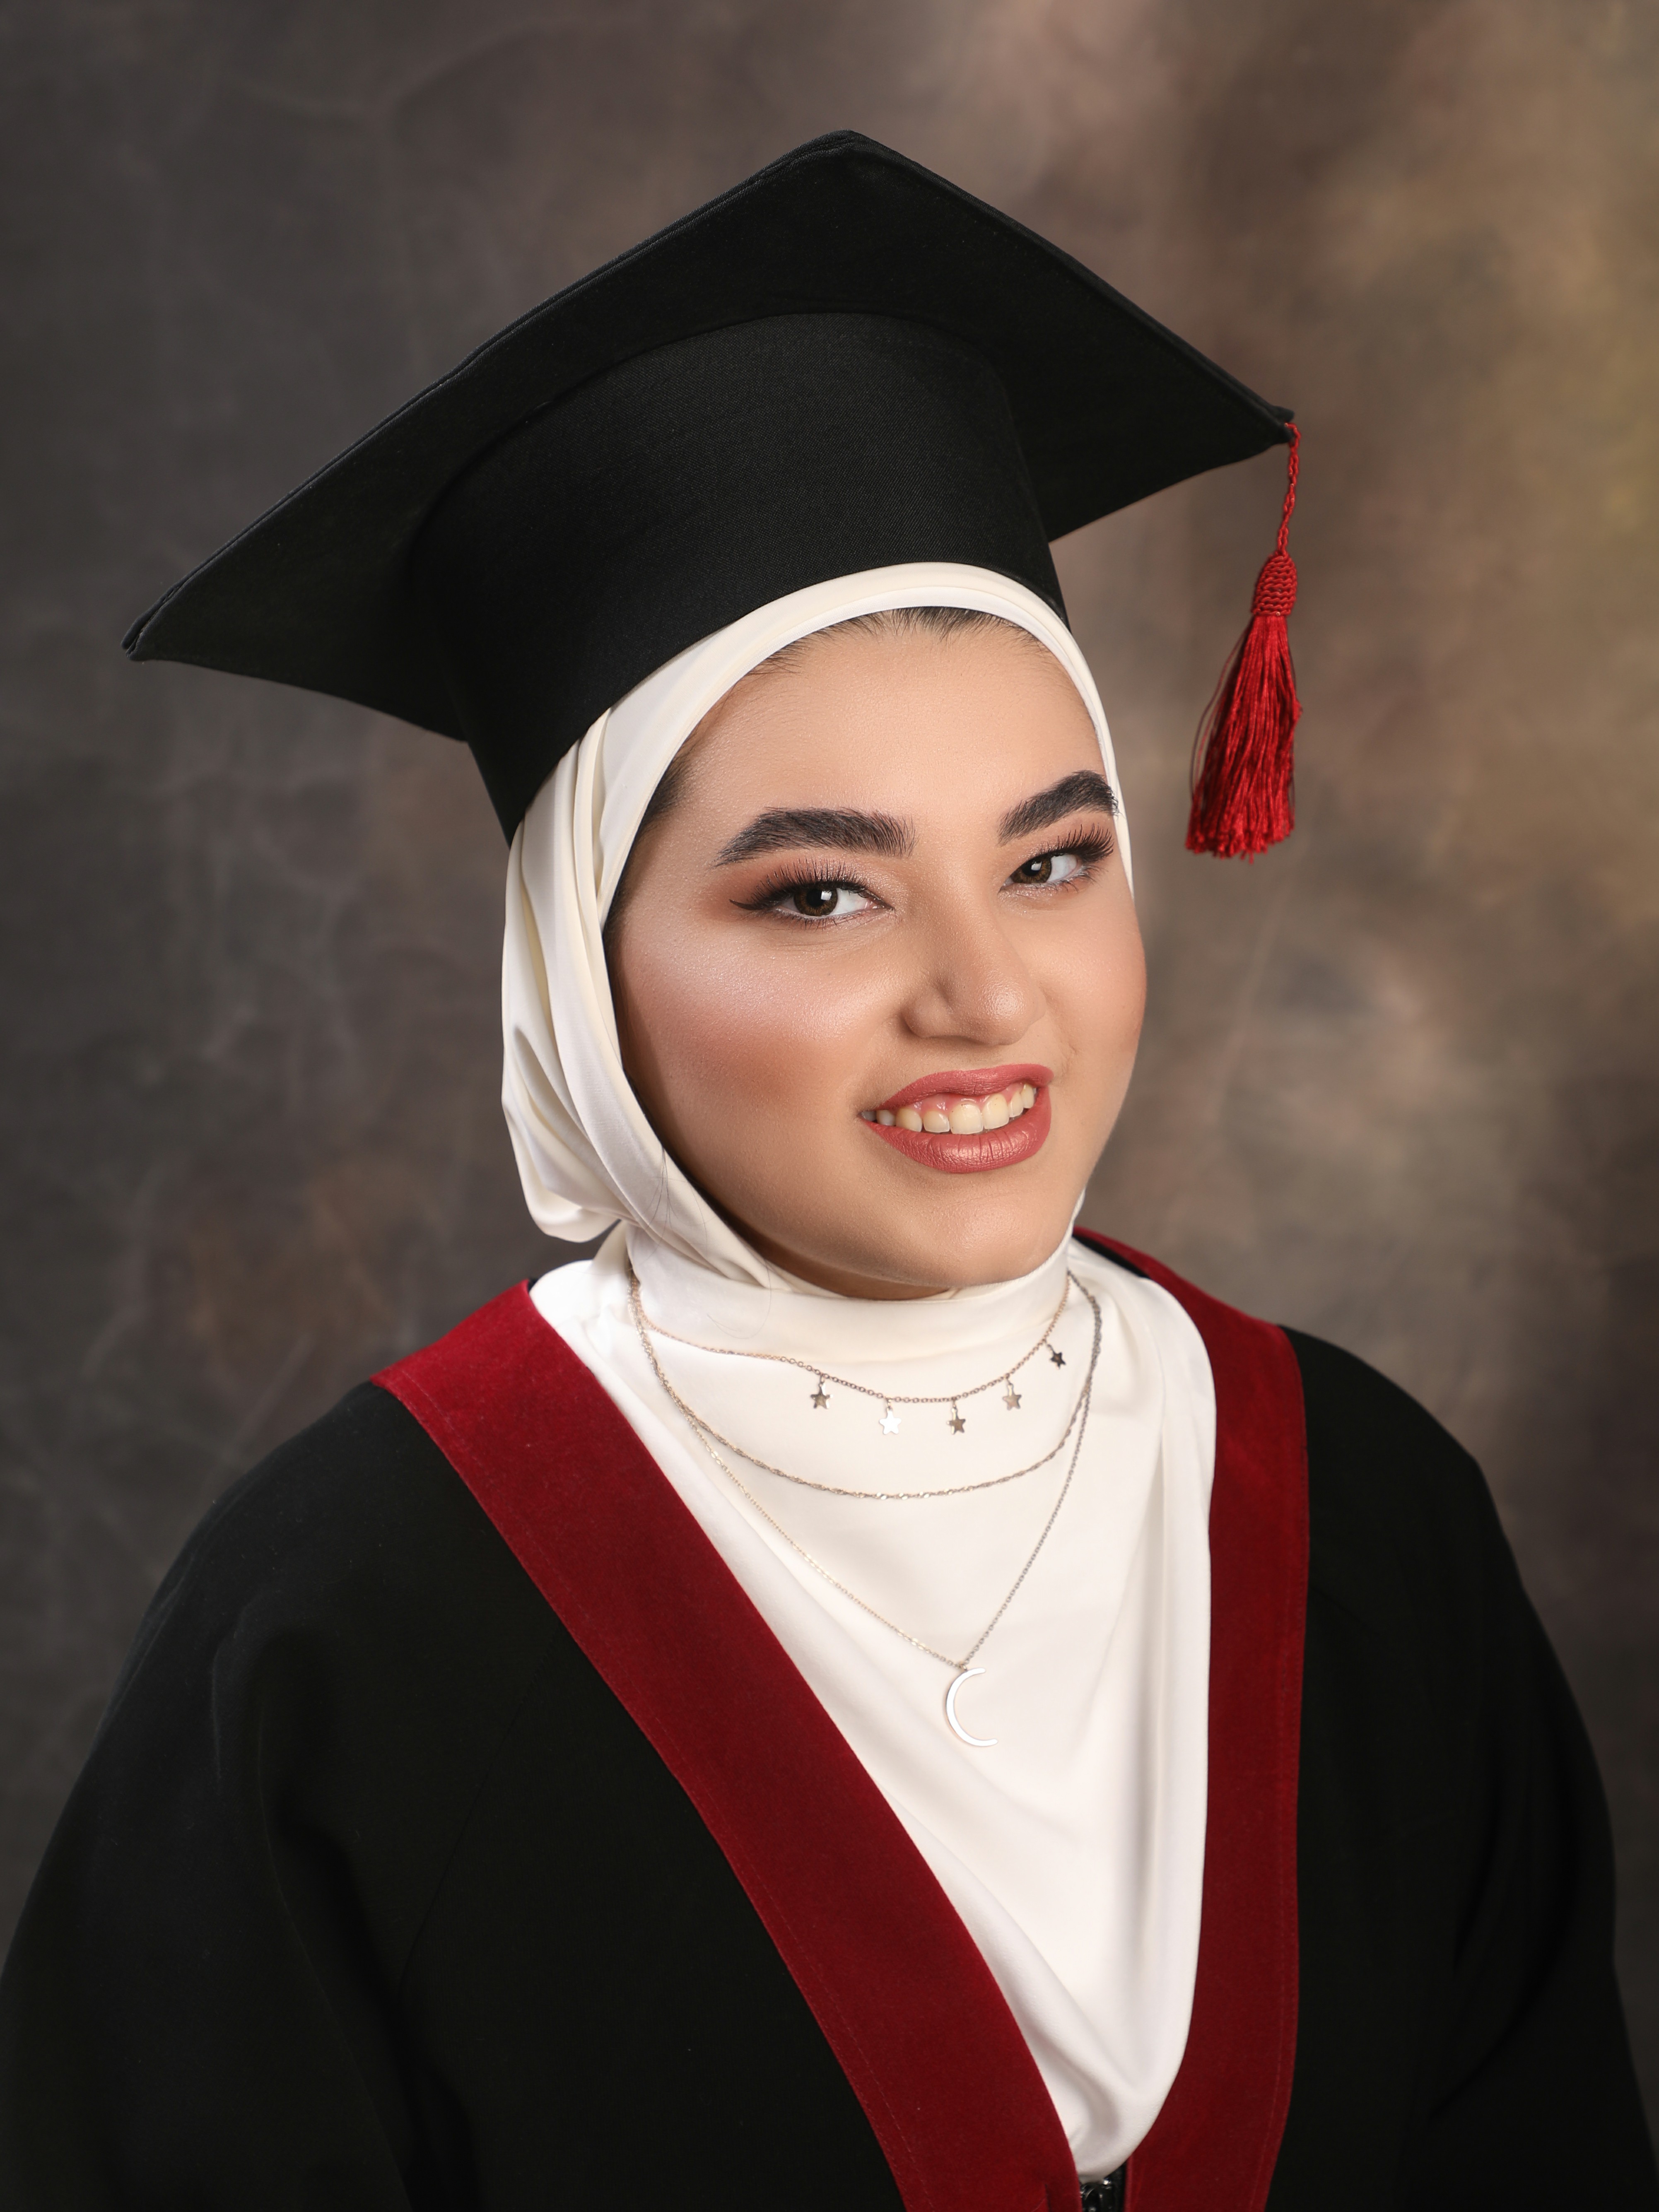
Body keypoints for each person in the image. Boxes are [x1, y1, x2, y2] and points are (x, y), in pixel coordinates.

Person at [0, 133, 1652, 2212]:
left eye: (1053, 860)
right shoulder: (348, 1629)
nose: (987, 996)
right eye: (819, 896)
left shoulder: (1371, 1523)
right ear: (583, 971)